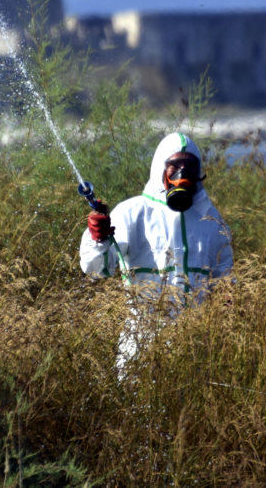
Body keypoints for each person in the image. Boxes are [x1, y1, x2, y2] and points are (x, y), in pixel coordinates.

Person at [79, 132, 233, 367]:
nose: (182, 172)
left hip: (195, 352)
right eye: (174, 165)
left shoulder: (211, 221)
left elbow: (226, 289)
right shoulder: (132, 213)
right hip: (140, 345)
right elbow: (96, 269)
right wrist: (98, 238)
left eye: (189, 165)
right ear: (160, 168)